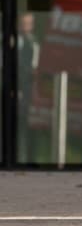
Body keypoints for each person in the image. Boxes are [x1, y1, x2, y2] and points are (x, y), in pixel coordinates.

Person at [18, 12, 39, 162]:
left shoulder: (34, 42)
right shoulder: (12, 41)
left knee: (30, 123)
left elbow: (35, 66)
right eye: (23, 23)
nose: (26, 26)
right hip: (17, 87)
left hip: (30, 88)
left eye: (29, 23)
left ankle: (30, 157)